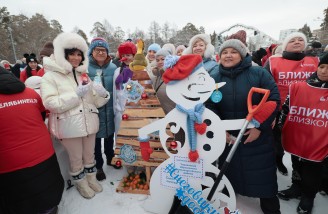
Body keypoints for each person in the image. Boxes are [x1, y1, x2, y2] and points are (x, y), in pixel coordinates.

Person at [207, 39, 281, 214]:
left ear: (242, 54)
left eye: (233, 51)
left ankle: (270, 207)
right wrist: (219, 129)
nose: (228, 55)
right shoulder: (213, 76)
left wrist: (258, 127)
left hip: (256, 137)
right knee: (229, 171)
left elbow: (273, 99)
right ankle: (229, 196)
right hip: (228, 137)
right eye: (225, 52)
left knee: (263, 174)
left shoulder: (258, 73)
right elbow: (208, 104)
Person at [41, 32, 110, 199]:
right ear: (63, 55)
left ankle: (91, 178)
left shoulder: (83, 75)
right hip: (68, 126)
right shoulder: (50, 76)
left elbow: (95, 101)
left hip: (89, 123)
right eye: (72, 54)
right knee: (76, 158)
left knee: (90, 155)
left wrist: (102, 94)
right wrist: (76, 95)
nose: (76, 58)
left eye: (79, 54)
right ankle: (81, 183)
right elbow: (50, 103)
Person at [0, 67, 64, 214]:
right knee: (45, 189)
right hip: (44, 154)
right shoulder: (30, 93)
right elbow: (42, 115)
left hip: (10, 165)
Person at [277, 52, 328, 213]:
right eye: (322, 66)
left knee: (312, 170)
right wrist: (280, 127)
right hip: (298, 136)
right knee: (296, 164)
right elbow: (286, 109)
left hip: (319, 141)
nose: (324, 71)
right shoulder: (299, 86)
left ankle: (308, 195)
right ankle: (296, 186)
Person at [265, 32, 319, 176]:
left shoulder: (315, 61)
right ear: (285, 45)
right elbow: (265, 87)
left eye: (300, 40)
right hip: (280, 109)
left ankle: (299, 175)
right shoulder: (273, 62)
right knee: (278, 141)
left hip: (307, 111)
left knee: (302, 144)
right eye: (292, 40)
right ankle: (278, 160)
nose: (297, 42)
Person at [87, 37, 119, 182]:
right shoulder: (86, 68)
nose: (100, 52)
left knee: (109, 136)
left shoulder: (114, 68)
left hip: (110, 109)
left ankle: (110, 156)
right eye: (97, 50)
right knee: (95, 139)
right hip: (94, 110)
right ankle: (98, 165)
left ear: (107, 52)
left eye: (103, 50)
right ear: (92, 51)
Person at [113, 41, 136, 135]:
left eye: (128, 55)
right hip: (120, 112)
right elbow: (115, 92)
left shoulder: (140, 71)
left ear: (134, 56)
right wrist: (116, 110)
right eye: (123, 55)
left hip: (136, 111)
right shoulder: (117, 71)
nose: (125, 58)